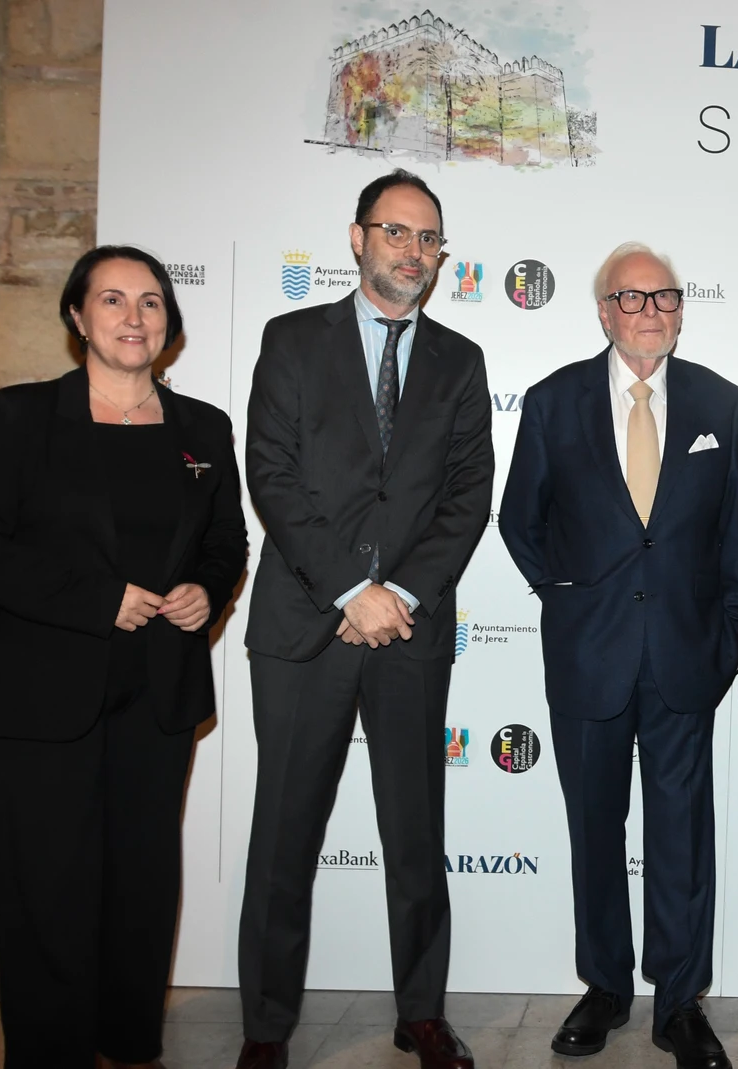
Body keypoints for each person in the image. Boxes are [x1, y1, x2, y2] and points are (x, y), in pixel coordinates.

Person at [0, 245, 247, 1069]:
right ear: (77, 316)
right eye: (112, 300)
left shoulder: (203, 428)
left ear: (170, 322)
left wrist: (205, 590)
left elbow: (226, 540)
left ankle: (129, 1040)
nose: (133, 317)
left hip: (158, 688)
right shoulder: (22, 417)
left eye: (150, 301)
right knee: (48, 882)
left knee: (142, 877)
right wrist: (95, 598)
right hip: (44, 688)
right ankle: (51, 1052)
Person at [235, 169, 494, 1069]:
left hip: (411, 631)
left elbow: (468, 495)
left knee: (416, 833)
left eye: (428, 238)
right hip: (306, 625)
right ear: (357, 238)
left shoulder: (461, 361)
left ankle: (421, 1012)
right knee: (284, 835)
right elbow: (271, 474)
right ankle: (266, 1025)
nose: (413, 251)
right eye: (396, 232)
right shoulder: (292, 340)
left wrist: (400, 594)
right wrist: (353, 589)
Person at [499, 242, 738, 1069]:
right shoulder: (553, 401)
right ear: (604, 311)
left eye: (665, 296)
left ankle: (679, 1001)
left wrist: (725, 641)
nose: (651, 312)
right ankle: (605, 985)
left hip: (685, 657)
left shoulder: (720, 401)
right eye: (633, 298)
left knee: (682, 836)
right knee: (594, 829)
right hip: (589, 657)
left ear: (681, 307)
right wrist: (572, 599)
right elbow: (520, 520)